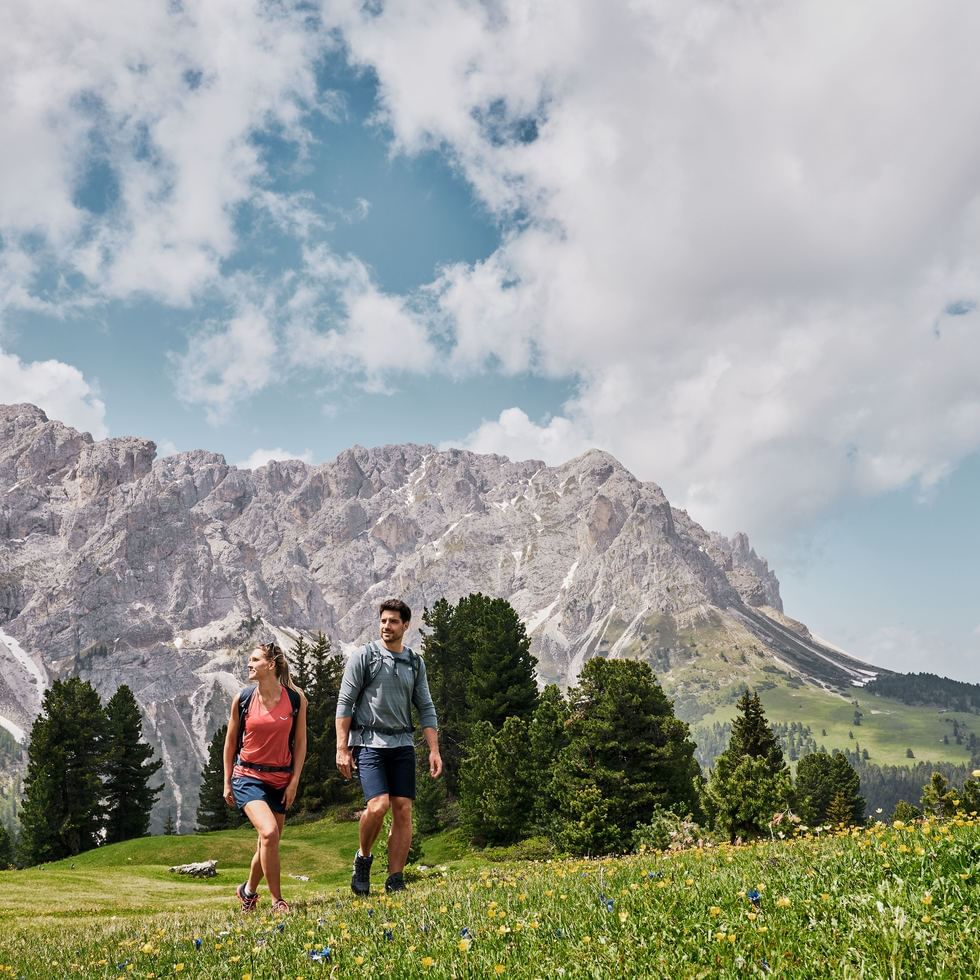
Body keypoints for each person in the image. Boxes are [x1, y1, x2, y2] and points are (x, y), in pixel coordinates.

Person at [335, 598, 442, 896]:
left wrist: (434, 750)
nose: (386, 626)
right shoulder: (364, 657)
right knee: (378, 805)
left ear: (406, 625)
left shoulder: (414, 662)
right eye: (383, 621)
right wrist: (341, 749)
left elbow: (426, 707)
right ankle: (364, 858)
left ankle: (396, 878)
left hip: (402, 743)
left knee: (403, 810)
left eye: (393, 621)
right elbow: (344, 704)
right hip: (368, 742)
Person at [223, 641, 307, 914]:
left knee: (267, 843)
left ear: (270, 665)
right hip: (247, 775)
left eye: (255, 659)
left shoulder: (296, 699)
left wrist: (294, 781)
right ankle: (277, 901)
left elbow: (301, 742)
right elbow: (230, 742)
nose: (249, 663)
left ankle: (247, 892)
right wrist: (227, 781)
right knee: (269, 833)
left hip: (280, 779)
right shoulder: (243, 699)